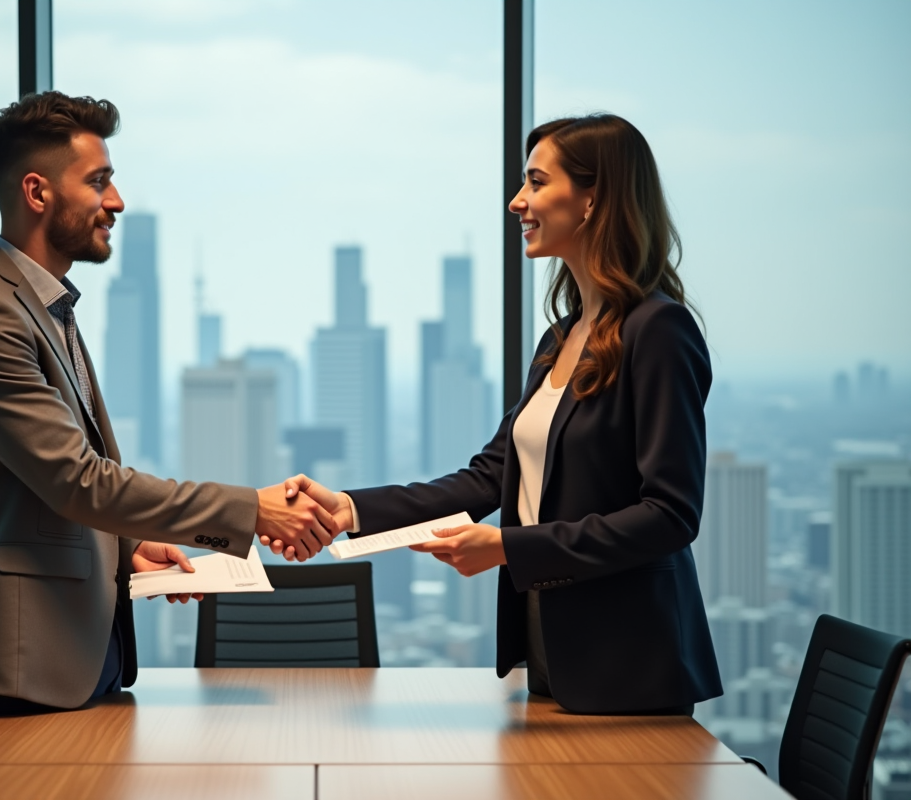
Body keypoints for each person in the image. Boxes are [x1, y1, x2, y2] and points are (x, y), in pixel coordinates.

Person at [268, 114, 723, 715]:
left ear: (594, 199)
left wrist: (509, 546)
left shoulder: (658, 330)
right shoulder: (561, 339)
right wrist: (349, 508)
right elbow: (489, 476)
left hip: (629, 665)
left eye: (537, 182)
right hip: (554, 659)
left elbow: (669, 513)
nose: (517, 201)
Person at [0, 91, 337, 718]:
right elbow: (77, 481)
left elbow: (43, 491)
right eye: (98, 181)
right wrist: (250, 510)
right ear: (37, 193)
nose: (115, 202)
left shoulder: (44, 307)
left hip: (78, 652)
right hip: (27, 666)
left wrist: (122, 550)